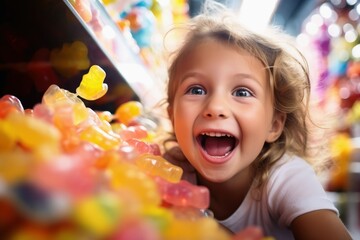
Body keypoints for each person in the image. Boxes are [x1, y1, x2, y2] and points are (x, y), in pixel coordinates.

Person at [162, 1, 353, 239]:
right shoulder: (169, 170)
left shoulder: (286, 177)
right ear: (172, 115)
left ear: (274, 125)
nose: (215, 107)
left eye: (242, 92)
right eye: (197, 90)